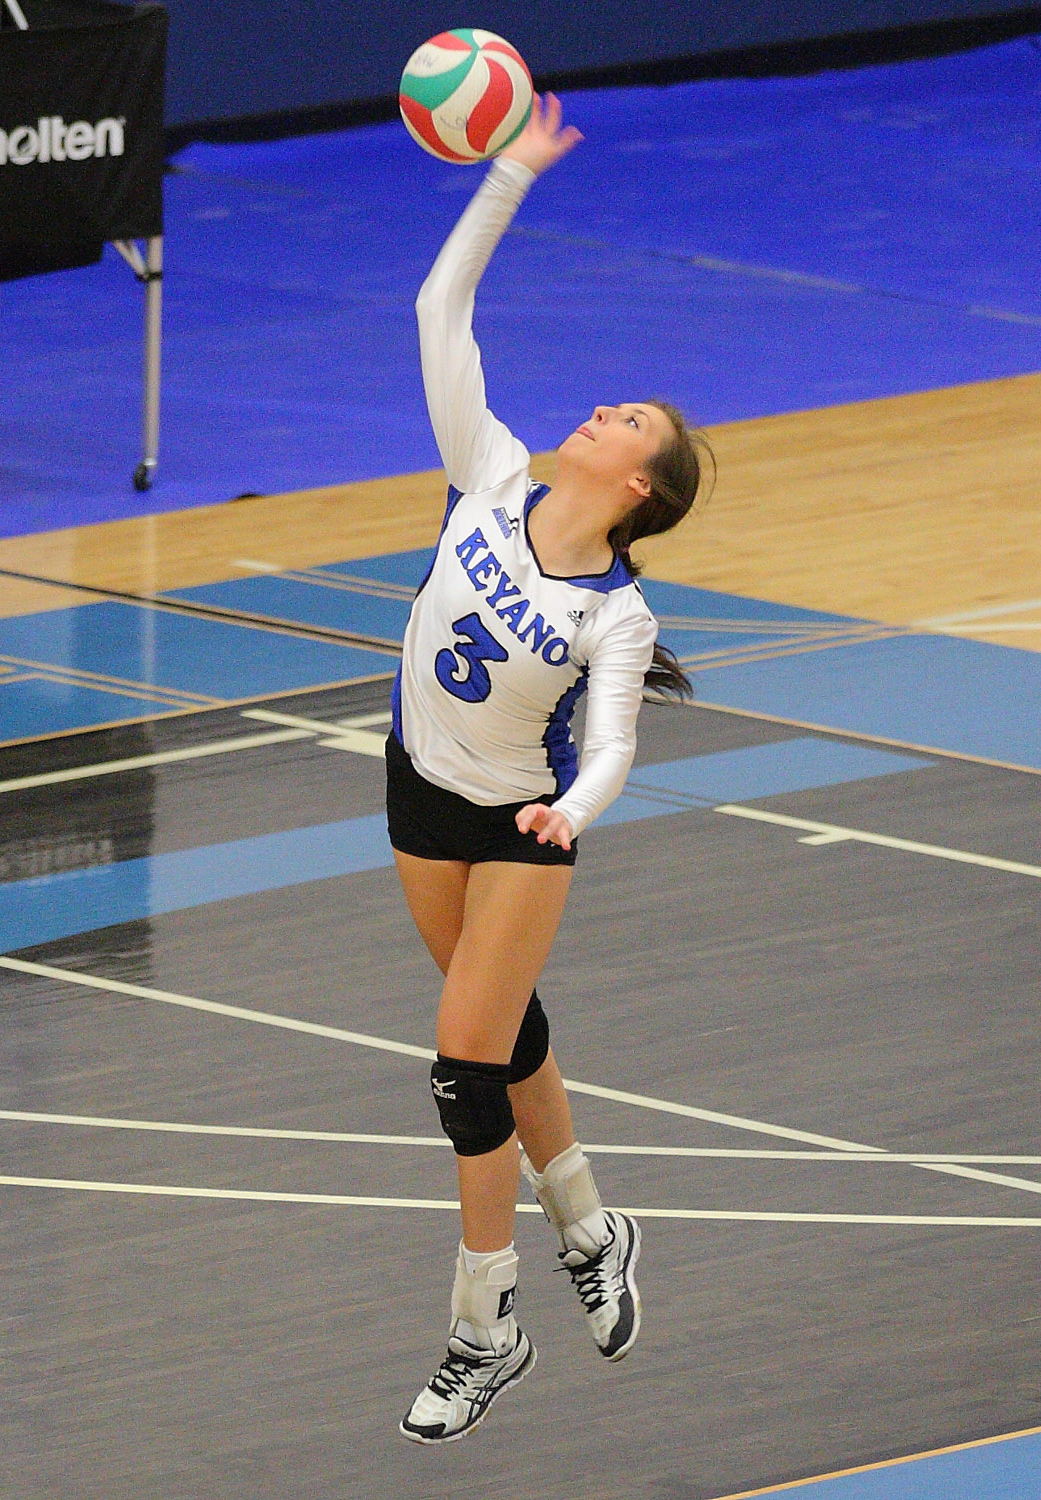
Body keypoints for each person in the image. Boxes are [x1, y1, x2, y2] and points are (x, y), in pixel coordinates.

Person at [390, 95, 708, 1445]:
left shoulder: (615, 617)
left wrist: (566, 811)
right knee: (503, 1028)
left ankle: (485, 1325)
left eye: (627, 416)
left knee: (464, 1061)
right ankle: (591, 1221)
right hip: (415, 780)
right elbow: (437, 307)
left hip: (521, 823)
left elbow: (620, 743)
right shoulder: (492, 471)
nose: (602, 408)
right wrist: (509, 173)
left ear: (643, 484)